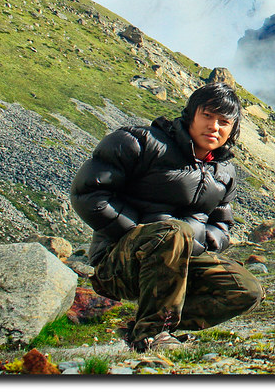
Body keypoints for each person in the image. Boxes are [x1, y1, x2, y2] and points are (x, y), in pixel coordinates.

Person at [71, 82, 263, 352]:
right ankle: (151, 334)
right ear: (190, 114)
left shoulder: (225, 172)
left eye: (224, 121)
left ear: (233, 129)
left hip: (181, 262)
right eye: (207, 116)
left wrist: (203, 245)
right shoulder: (140, 142)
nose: (214, 127)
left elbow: (221, 223)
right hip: (120, 262)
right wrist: (135, 231)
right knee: (173, 232)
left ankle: (146, 323)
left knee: (246, 290)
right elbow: (88, 192)